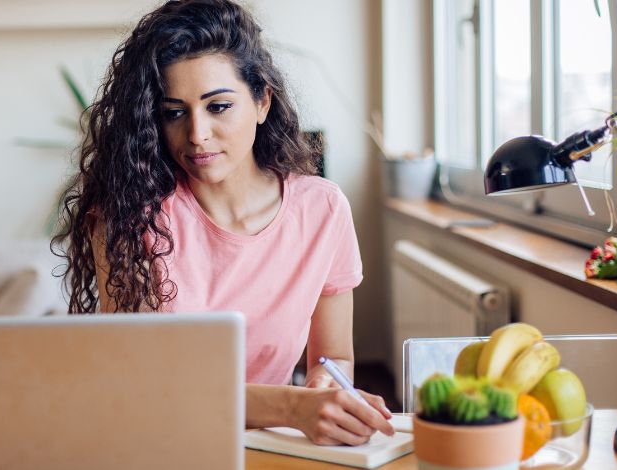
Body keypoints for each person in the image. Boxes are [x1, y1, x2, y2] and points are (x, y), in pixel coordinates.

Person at [53, 0, 394, 445]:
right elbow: (140, 384)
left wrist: (327, 393)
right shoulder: (129, 214)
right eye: (174, 111)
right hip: (153, 442)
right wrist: (292, 406)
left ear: (262, 101)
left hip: (269, 443)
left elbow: (332, 358)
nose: (196, 133)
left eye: (218, 107)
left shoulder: (322, 210)